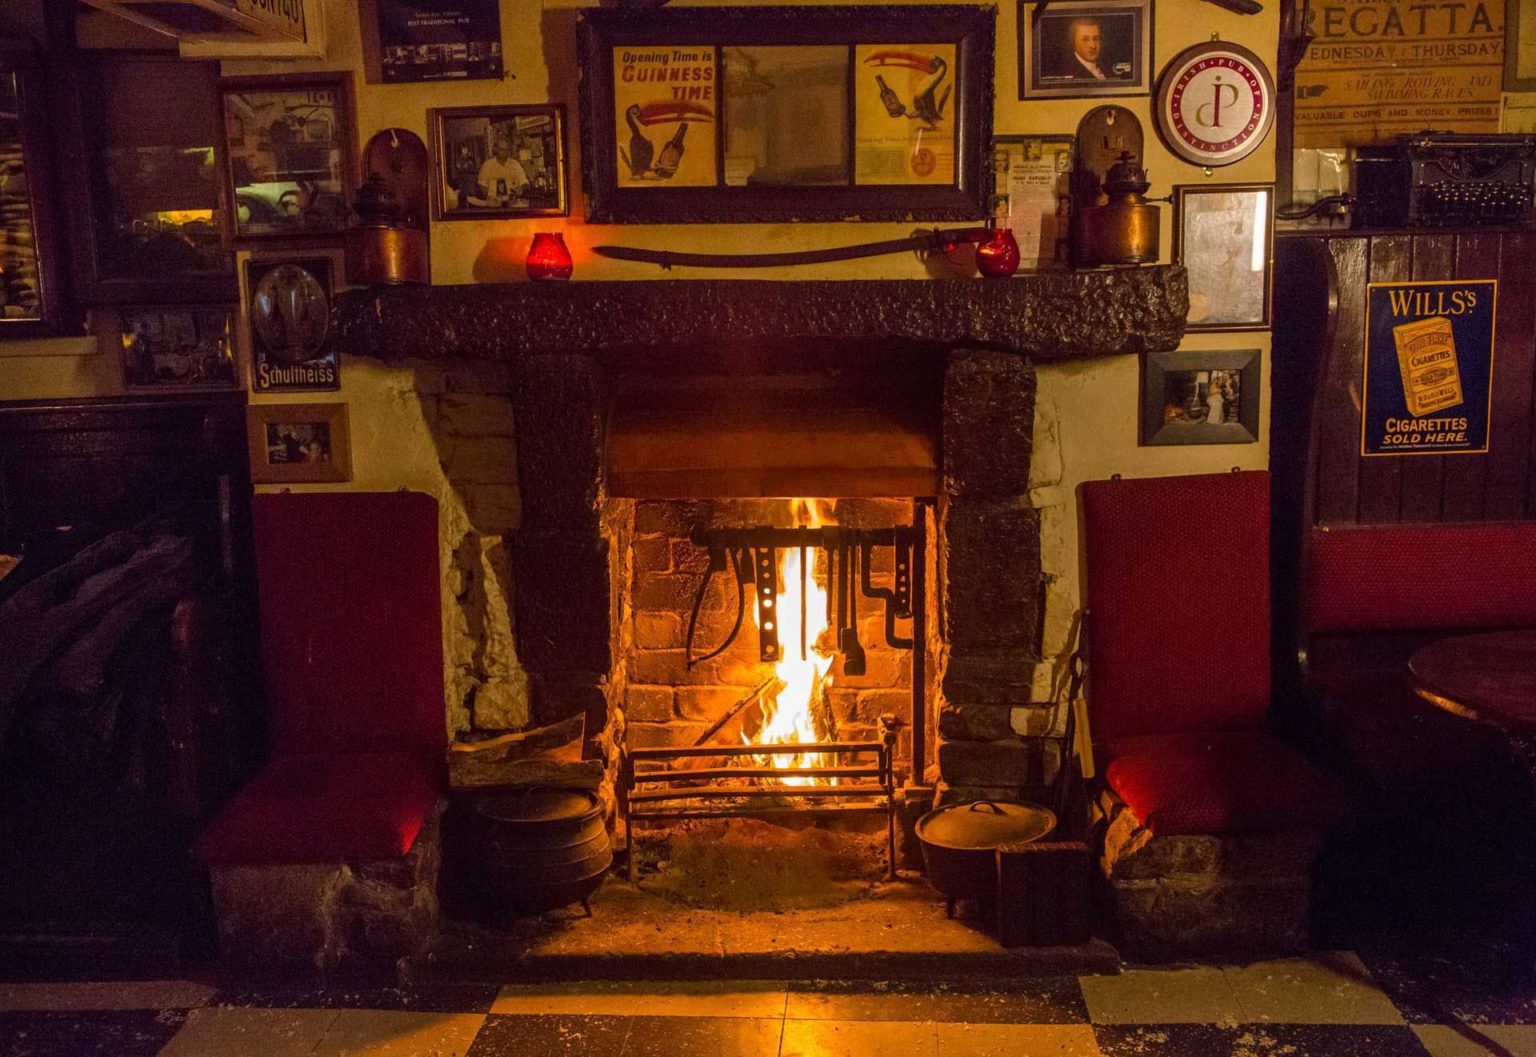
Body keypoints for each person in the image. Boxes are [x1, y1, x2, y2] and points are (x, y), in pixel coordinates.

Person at [472, 129, 529, 207]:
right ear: (496, 149)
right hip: (493, 205)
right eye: (502, 150)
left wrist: (521, 189)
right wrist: (488, 196)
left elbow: (524, 182)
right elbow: (481, 186)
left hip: (512, 204)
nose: (504, 153)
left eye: (507, 150)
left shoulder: (515, 164)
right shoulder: (487, 165)